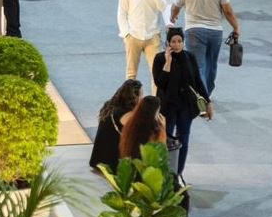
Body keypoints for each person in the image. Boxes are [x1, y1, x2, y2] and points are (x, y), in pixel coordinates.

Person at [170, 0, 241, 96]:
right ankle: (207, 93)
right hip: (215, 31)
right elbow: (227, 10)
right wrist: (236, 27)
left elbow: (175, 6)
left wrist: (173, 16)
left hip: (193, 31)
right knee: (211, 65)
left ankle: (202, 97)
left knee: (198, 66)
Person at [153, 26, 213, 175]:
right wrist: (167, 63)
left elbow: (197, 81)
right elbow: (160, 83)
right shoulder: (159, 58)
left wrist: (208, 102)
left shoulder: (190, 57)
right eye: (173, 41)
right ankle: (164, 174)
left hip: (186, 106)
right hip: (168, 107)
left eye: (180, 41)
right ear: (168, 43)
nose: (177, 44)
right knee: (166, 139)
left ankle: (178, 173)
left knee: (183, 140)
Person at [118, 0, 165, 83]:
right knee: (131, 75)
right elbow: (122, 13)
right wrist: (126, 34)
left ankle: (156, 97)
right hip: (133, 36)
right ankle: (130, 97)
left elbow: (162, 7)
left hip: (152, 36)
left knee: (157, 74)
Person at [90, 79, 143, 173]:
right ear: (134, 96)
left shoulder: (109, 106)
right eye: (141, 94)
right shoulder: (127, 114)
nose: (142, 98)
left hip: (98, 159)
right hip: (112, 163)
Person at [118, 95, 168, 160]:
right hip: (145, 165)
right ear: (156, 112)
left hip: (129, 162)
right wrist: (163, 127)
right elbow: (162, 153)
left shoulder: (130, 125)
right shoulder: (156, 131)